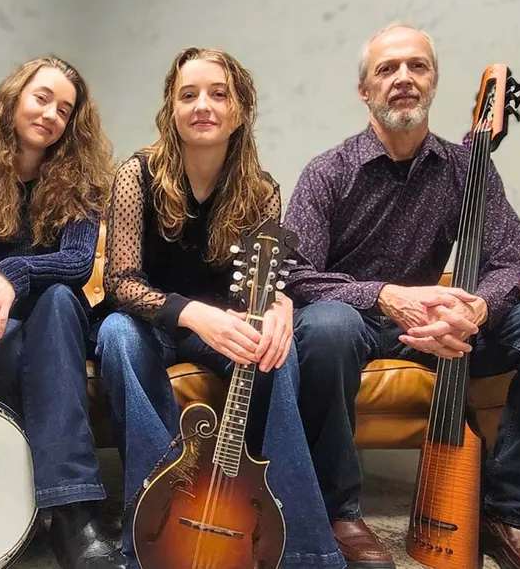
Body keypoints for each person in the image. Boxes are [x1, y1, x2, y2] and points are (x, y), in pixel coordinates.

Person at [284, 22, 520, 569]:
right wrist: (384, 295)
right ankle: (337, 512)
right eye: (387, 69)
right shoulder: (327, 173)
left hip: (438, 331)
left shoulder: (467, 170)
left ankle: (510, 514)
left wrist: (475, 308)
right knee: (326, 325)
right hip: (352, 323)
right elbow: (297, 274)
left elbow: (510, 264)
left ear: (433, 82)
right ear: (365, 90)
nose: (403, 78)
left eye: (417, 66)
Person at [92, 47, 346, 569]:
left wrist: (279, 309)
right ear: (171, 109)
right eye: (188, 95)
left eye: (218, 94)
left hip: (227, 324)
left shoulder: (262, 190)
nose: (202, 105)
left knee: (279, 353)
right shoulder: (134, 176)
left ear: (240, 110)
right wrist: (193, 313)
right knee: (115, 334)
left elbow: (271, 283)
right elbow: (119, 283)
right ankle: (154, 521)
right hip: (152, 321)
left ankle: (301, 549)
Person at [0, 56, 122, 569]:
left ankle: (74, 509)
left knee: (55, 303)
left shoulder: (83, 187)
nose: (51, 114)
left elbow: (78, 264)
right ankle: (19, 500)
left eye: (65, 109)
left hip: (62, 317)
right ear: (14, 99)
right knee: (7, 335)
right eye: (41, 98)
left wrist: (12, 273)